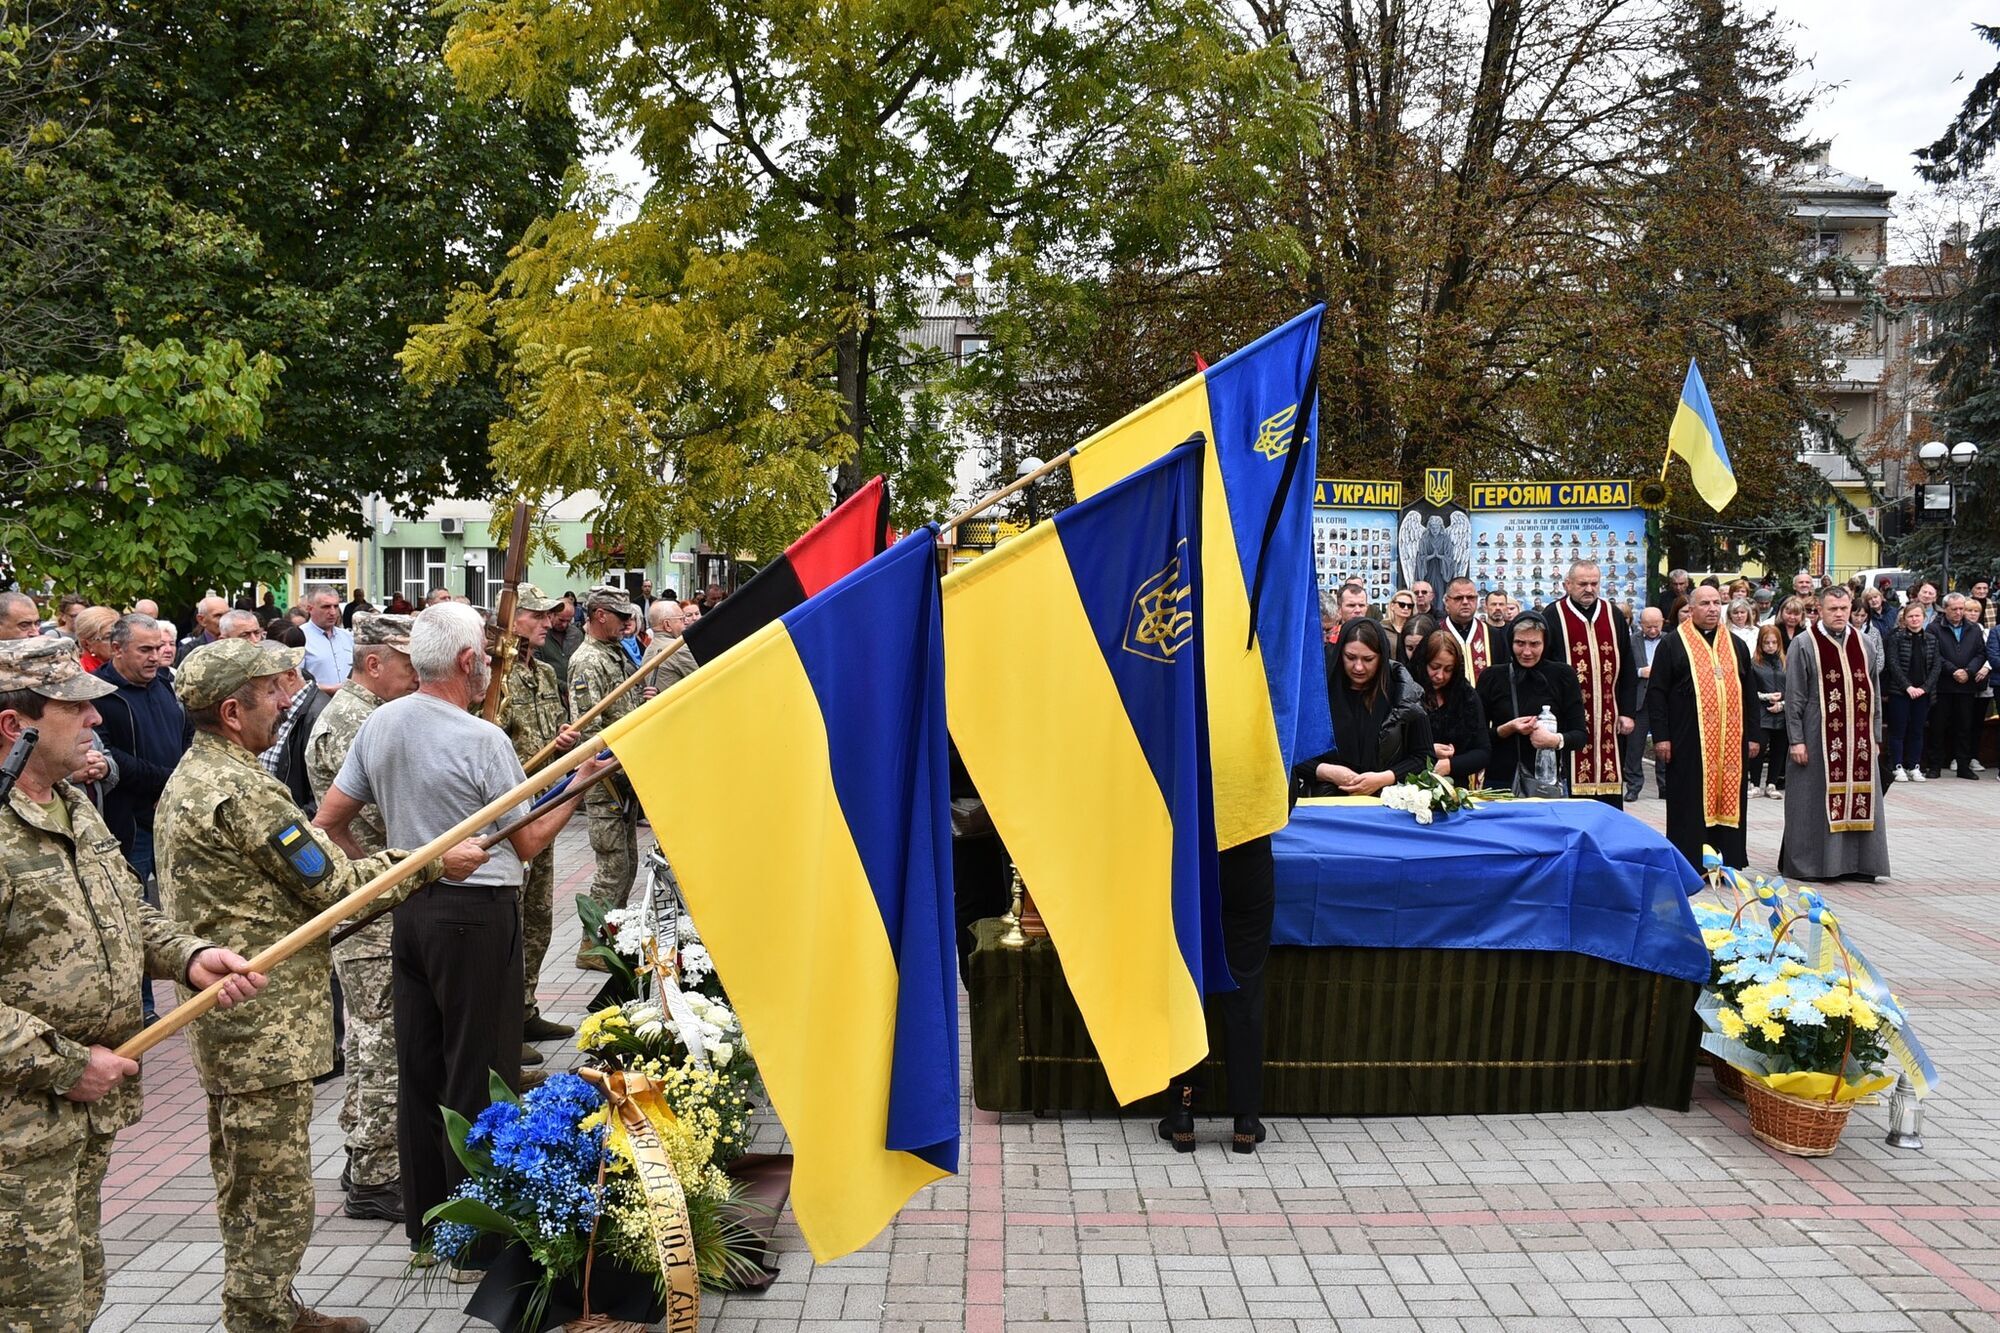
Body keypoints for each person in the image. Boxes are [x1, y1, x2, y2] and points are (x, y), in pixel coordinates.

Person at [156, 639, 486, 1333]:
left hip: (231, 1022)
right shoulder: (244, 792)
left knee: (243, 1179)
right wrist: (430, 861)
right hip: (262, 1025)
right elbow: (332, 889)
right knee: (274, 1189)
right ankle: (261, 1318)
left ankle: (265, 1306)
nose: (286, 702)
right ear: (231, 709)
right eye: (271, 692)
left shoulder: (193, 775)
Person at [314, 604, 610, 1268]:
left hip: (413, 911)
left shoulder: (379, 722)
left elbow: (330, 819)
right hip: (475, 917)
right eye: (486, 656)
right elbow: (528, 839)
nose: (490, 667)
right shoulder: (482, 739)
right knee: (480, 1069)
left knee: (420, 1064)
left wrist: (392, 868)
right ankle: (479, 1232)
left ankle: (429, 1221)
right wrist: (580, 782)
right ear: (467, 662)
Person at [305, 614, 419, 1223]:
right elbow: (332, 825)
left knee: (379, 1035)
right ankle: (376, 1177)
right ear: (373, 664)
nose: (415, 675)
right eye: (407, 664)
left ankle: (363, 1154)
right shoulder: (351, 723)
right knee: (379, 1041)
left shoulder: (373, 714)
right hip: (372, 907)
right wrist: (378, 876)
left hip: (383, 898)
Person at [491, 586, 581, 1049]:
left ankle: (525, 1009)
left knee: (540, 917)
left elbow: (548, 729)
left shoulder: (543, 673)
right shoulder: (494, 679)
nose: (548, 622)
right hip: (510, 811)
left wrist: (562, 737)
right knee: (511, 918)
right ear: (512, 618)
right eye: (536, 615)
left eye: (550, 615)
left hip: (545, 804)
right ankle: (502, 1026)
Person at [1646, 585, 1760, 874]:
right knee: (1689, 799)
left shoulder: (1736, 645)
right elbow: (1657, 693)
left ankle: (1729, 860)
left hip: (1730, 741)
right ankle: (1690, 862)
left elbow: (1749, 693)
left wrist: (1754, 735)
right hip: (1687, 741)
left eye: (1716, 603)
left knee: (1729, 797)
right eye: (1705, 603)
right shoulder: (1672, 644)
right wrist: (1662, 737)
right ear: (1691, 609)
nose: (1712, 608)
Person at [1778, 587, 1887, 881]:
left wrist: (1875, 737)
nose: (1839, 614)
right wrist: (1796, 740)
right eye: (1832, 609)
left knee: (1861, 797)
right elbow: (1795, 697)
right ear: (1820, 610)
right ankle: (1815, 865)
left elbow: (1874, 694)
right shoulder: (1804, 643)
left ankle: (1860, 864)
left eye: (1844, 608)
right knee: (1813, 799)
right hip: (1817, 735)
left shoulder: (1864, 643)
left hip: (1860, 739)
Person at [91, 614, 191, 886]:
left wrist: (176, 783)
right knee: (136, 904)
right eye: (145, 650)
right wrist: (167, 781)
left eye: (159, 648)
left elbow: (186, 734)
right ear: (117, 649)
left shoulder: (164, 684)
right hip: (130, 823)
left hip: (172, 812)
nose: (156, 657)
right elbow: (106, 755)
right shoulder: (97, 692)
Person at [567, 585, 644, 936]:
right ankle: (592, 940)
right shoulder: (587, 660)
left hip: (624, 774)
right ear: (600, 614)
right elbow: (588, 728)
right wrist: (608, 768)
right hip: (605, 780)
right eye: (621, 616)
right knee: (613, 866)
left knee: (628, 864)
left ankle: (614, 934)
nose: (627, 623)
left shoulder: (614, 653)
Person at [1293, 618, 1431, 797]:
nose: (1358, 667)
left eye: (1368, 659)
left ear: (1382, 657)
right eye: (1350, 657)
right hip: (1326, 802)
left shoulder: (1404, 692)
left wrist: (1383, 778)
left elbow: (1424, 756)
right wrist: (1326, 771)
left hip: (1388, 801)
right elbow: (1291, 750)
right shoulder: (1318, 693)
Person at [1539, 562, 1637, 808]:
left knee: (1611, 780)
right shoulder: (1552, 616)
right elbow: (1544, 672)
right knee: (1570, 789)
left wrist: (1627, 712)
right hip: (1569, 718)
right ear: (1567, 585)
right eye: (1582, 584)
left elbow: (1627, 667)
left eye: (1594, 583)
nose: (1589, 589)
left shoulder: (1612, 615)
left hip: (1609, 718)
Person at [1475, 611, 1586, 795]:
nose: (1527, 652)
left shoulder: (1563, 676)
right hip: (1501, 782)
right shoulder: (1492, 677)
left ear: (1545, 643)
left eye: (1535, 644)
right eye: (1520, 643)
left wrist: (1554, 740)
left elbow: (1580, 735)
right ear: (1511, 642)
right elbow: (1476, 736)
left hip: (1547, 783)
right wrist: (1507, 729)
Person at [1924, 593, 1988, 780]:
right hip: (1943, 685)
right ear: (1946, 609)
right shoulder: (1935, 628)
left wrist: (1968, 671)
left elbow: (1980, 653)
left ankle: (1963, 766)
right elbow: (1933, 654)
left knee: (1964, 727)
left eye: (1961, 608)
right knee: (1938, 726)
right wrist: (1953, 670)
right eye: (1954, 609)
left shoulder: (1974, 629)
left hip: (1966, 686)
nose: (1959, 612)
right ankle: (1935, 765)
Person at [1415, 630, 1488, 784]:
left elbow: (1483, 752)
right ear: (1423, 663)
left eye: (1448, 670)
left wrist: (1451, 765)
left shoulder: (1466, 696)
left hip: (1455, 789)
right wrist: (1428, 751)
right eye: (1434, 667)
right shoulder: (1406, 693)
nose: (1440, 676)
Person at [1884, 601, 1939, 784]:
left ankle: (1914, 765)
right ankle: (1897, 765)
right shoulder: (1896, 637)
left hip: (1922, 693)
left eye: (1918, 616)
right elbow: (1893, 664)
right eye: (1911, 616)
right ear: (1904, 619)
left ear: (1924, 618)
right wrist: (1907, 687)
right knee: (1898, 730)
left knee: (1917, 731)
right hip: (1901, 692)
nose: (1914, 619)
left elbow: (1936, 666)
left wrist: (1924, 688)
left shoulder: (1931, 638)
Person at [1626, 606, 1666, 801]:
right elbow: (1622, 669)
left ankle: (1665, 786)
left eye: (1656, 626)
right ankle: (1633, 786)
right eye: (1648, 626)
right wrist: (1640, 672)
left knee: (1664, 744)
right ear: (1640, 624)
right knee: (1634, 747)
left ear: (1663, 622)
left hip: (1663, 702)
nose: (1652, 630)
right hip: (1639, 702)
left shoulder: (1670, 640)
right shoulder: (1631, 641)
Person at [1441, 577, 1507, 684]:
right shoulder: (1435, 634)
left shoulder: (1493, 635)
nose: (1465, 602)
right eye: (1459, 598)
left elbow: (1503, 678)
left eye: (1470, 597)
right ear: (1447, 602)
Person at [1748, 623, 1788, 798]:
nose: (1770, 646)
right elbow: (1748, 691)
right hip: (1761, 712)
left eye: (1774, 642)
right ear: (1760, 644)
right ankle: (1754, 783)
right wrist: (1766, 697)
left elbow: (1794, 688)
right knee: (1759, 747)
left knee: (1779, 749)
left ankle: (1771, 783)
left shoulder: (1785, 663)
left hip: (1782, 712)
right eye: (1766, 643)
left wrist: (1783, 704)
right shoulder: (1754, 664)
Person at [300, 590, 354, 695]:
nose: (333, 612)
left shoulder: (347, 636)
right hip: (316, 706)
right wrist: (331, 689)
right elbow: (296, 682)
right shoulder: (300, 637)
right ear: (310, 609)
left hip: (348, 704)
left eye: (336, 606)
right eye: (326, 607)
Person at [645, 597, 699, 694]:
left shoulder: (648, 649)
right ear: (667, 625)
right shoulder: (678, 648)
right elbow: (706, 677)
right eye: (681, 619)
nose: (685, 622)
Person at [180, 596, 229, 660]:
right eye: (218, 616)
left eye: (228, 615)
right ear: (201, 620)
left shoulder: (237, 645)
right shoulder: (189, 651)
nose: (225, 620)